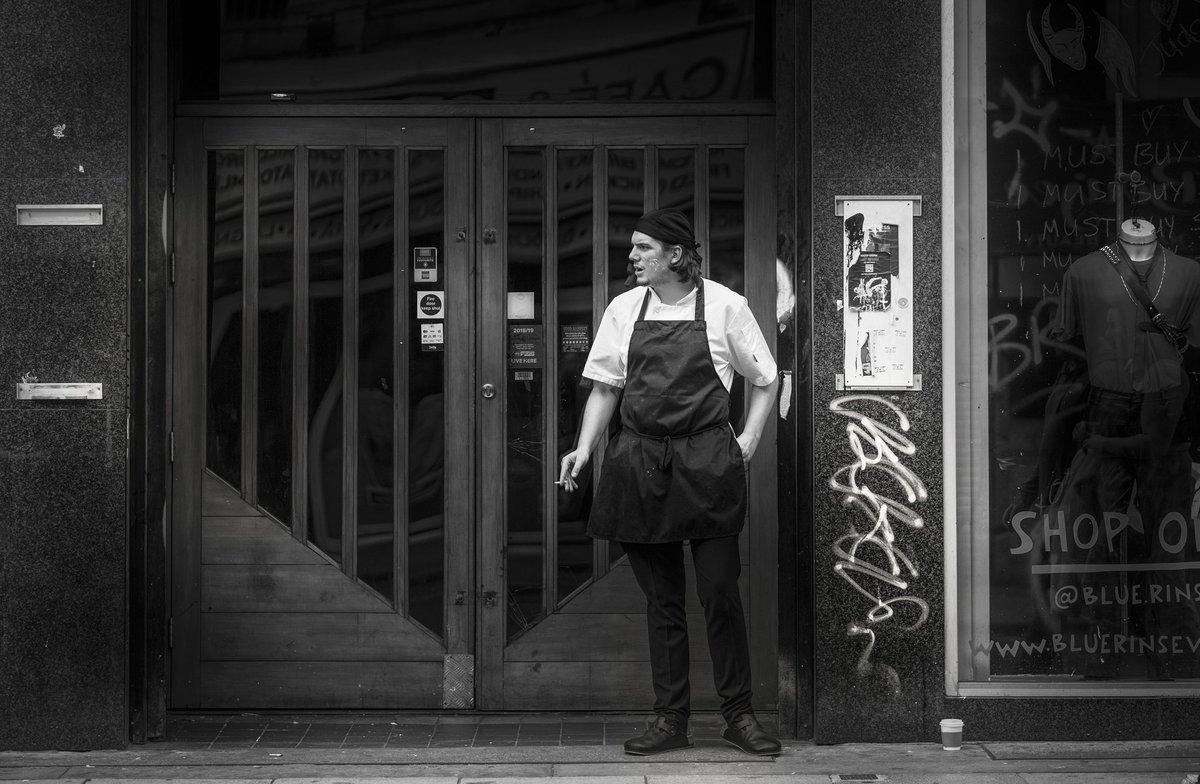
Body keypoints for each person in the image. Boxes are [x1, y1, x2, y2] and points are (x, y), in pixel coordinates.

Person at [558, 208, 781, 756]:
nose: (631, 257)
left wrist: (748, 441)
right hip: (638, 461)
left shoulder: (727, 306)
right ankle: (670, 718)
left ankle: (738, 714)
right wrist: (584, 448)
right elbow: (606, 387)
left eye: (642, 248)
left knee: (719, 591)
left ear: (675, 255)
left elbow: (767, 379)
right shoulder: (623, 309)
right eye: (633, 248)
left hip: (707, 464)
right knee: (663, 602)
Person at [1048, 217, 1200, 679]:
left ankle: (1173, 648)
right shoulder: (1083, 272)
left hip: (1167, 412)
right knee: (1099, 534)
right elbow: (1068, 349)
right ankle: (1097, 648)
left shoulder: (1190, 273)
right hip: (1106, 406)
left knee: (1168, 537)